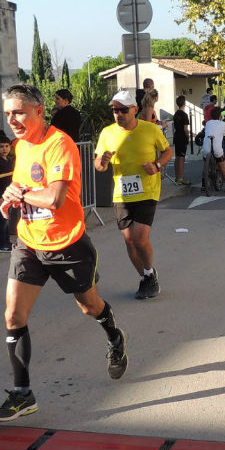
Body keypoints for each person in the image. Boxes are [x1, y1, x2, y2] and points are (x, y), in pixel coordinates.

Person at [0, 84, 127, 422]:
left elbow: (54, 198)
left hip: (67, 245)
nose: (13, 120)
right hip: (29, 244)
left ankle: (113, 333)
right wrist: (10, 199)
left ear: (39, 110)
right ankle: (23, 394)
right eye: (8, 114)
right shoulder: (21, 147)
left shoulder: (59, 143)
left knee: (89, 306)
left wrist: (21, 194)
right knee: (13, 316)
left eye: (18, 112)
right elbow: (23, 190)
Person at [94, 90, 173, 300]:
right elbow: (98, 164)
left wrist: (157, 165)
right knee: (129, 241)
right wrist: (101, 162)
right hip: (122, 193)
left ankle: (148, 274)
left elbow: (168, 152)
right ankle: (147, 276)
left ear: (135, 110)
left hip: (147, 190)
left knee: (139, 238)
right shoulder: (107, 133)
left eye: (123, 110)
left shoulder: (150, 129)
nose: (118, 114)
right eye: (115, 110)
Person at [0, 136, 15, 252]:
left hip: (9, 195)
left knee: (7, 219)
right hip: (1, 197)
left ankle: (7, 242)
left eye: (6, 146)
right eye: (1, 147)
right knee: (3, 220)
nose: (4, 149)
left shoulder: (9, 161)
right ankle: (1, 245)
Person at [202, 106, 225, 192]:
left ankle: (203, 185)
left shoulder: (208, 123)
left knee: (205, 165)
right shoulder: (223, 124)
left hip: (206, 148)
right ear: (220, 116)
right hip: (217, 149)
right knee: (223, 166)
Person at [172, 95, 189, 185]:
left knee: (177, 157)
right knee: (182, 158)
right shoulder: (184, 115)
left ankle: (177, 176)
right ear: (184, 103)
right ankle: (181, 178)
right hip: (182, 137)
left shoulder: (176, 114)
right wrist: (188, 137)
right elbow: (185, 129)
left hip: (176, 136)